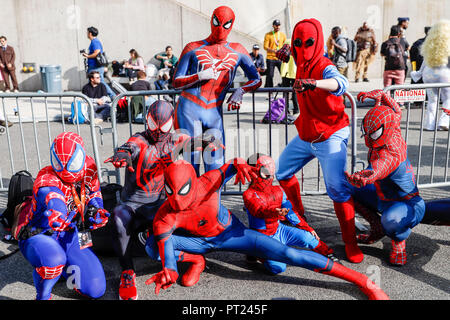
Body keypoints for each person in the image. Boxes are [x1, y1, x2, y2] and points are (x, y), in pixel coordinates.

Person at [144, 159, 389, 300]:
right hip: (198, 243)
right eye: (170, 192)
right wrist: (170, 273)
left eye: (183, 191)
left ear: (193, 182)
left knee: (289, 255)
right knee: (152, 245)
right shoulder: (164, 216)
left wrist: (240, 163)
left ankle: (362, 280)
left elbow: (232, 165)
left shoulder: (209, 181)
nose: (176, 200)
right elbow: (168, 258)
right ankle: (197, 261)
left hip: (233, 235)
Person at [104, 100, 221, 300]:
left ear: (171, 123)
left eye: (163, 126)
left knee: (190, 214)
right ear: (147, 121)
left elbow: (195, 140)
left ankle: (194, 258)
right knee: (118, 216)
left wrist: (208, 140)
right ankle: (127, 272)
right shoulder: (140, 139)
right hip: (133, 204)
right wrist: (121, 155)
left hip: (160, 204)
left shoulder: (176, 139)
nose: (158, 131)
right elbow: (128, 147)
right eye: (152, 124)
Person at [275, 18, 363, 264]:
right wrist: (285, 50)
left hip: (331, 134)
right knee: (282, 172)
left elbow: (341, 83)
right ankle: (299, 221)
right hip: (307, 134)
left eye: (308, 42)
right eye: (298, 43)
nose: (303, 47)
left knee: (336, 187)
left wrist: (314, 83)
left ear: (319, 41)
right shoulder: (297, 56)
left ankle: (350, 241)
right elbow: (291, 49)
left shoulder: (324, 64)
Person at [17, 132, 110, 300]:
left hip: (70, 233)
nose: (66, 170)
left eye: (72, 163)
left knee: (96, 289)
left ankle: (64, 269)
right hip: (41, 233)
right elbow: (54, 198)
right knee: (54, 260)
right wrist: (57, 213)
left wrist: (97, 211)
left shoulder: (89, 168)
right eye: (60, 164)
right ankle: (43, 295)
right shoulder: (47, 179)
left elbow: (94, 194)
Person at [172, 5, 261, 175]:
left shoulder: (238, 50)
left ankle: (212, 202)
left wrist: (240, 91)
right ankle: (190, 202)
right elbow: (175, 81)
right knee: (191, 163)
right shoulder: (193, 47)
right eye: (217, 22)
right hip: (189, 109)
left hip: (214, 112)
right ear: (211, 20)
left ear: (231, 24)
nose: (220, 28)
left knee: (215, 162)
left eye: (225, 24)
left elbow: (256, 79)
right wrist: (198, 76)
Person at [346, 90, 425, 266]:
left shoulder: (392, 152)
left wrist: (368, 176)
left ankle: (399, 242)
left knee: (392, 221)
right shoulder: (392, 128)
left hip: (407, 204)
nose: (367, 137)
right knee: (345, 188)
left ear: (383, 130)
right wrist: (384, 96)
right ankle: (377, 227)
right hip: (383, 196)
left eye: (372, 133)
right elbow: (396, 112)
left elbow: (381, 167)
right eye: (365, 131)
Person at [243, 153, 336, 275]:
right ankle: (257, 253)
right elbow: (259, 210)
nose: (269, 175)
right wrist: (274, 211)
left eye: (270, 171)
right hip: (263, 238)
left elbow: (291, 213)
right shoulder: (248, 194)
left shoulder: (278, 190)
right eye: (265, 171)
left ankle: (328, 254)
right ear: (254, 172)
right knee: (278, 268)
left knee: (308, 237)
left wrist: (307, 228)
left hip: (279, 230)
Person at [411, 20, 450, 131]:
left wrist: (419, 73)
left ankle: (429, 124)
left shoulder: (430, 42)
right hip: (444, 73)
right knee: (448, 99)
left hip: (428, 74)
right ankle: (443, 122)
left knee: (432, 101)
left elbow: (425, 60)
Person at [82, 26, 115, 99]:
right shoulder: (94, 41)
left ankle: (113, 96)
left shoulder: (95, 42)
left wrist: (87, 56)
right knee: (93, 83)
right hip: (94, 66)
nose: (86, 34)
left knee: (100, 82)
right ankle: (91, 99)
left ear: (90, 33)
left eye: (87, 32)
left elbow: (97, 52)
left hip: (95, 67)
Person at [263, 19, 286, 88]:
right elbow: (265, 47)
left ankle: (285, 90)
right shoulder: (268, 35)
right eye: (276, 25)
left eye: (279, 25)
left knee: (284, 74)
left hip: (280, 58)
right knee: (270, 75)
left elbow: (285, 46)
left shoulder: (282, 35)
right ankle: (270, 92)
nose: (278, 27)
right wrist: (273, 51)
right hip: (270, 58)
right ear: (273, 26)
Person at [280, 39, 299, 114]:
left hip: (285, 71)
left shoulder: (286, 42)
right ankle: (296, 109)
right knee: (295, 92)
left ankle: (286, 110)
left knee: (285, 92)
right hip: (294, 71)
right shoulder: (297, 43)